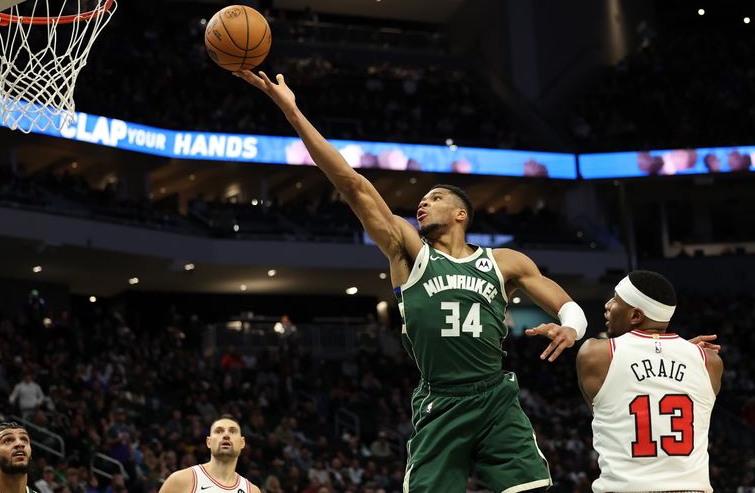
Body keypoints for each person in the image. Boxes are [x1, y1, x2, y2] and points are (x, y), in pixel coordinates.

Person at [235, 70, 589, 492]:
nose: (423, 202)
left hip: (495, 396)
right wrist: (292, 112)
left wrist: (572, 327)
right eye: (421, 200)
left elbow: (565, 305)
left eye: (435, 198)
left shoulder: (504, 261)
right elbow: (353, 185)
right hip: (441, 400)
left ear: (462, 215)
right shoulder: (410, 252)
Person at [576, 270, 723, 493]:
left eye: (615, 300)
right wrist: (679, 351)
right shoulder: (709, 362)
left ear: (635, 315)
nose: (607, 305)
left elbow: (604, 412)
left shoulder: (595, 354)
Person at [158, 416, 260, 493]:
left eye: (232, 431)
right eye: (219, 431)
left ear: (242, 443)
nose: (226, 435)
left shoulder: (252, 490)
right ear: (209, 442)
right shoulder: (181, 480)